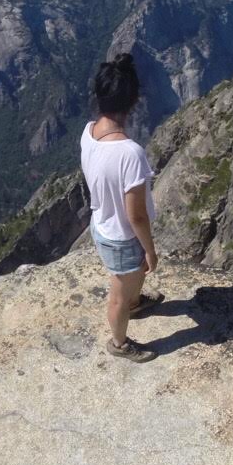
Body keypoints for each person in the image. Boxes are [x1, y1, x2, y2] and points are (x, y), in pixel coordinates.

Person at [80, 53, 163, 362]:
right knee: (118, 292)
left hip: (100, 223)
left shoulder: (89, 132)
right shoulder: (131, 153)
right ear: (133, 102)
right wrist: (150, 249)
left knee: (132, 276)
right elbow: (136, 215)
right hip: (121, 236)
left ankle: (135, 302)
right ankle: (118, 343)